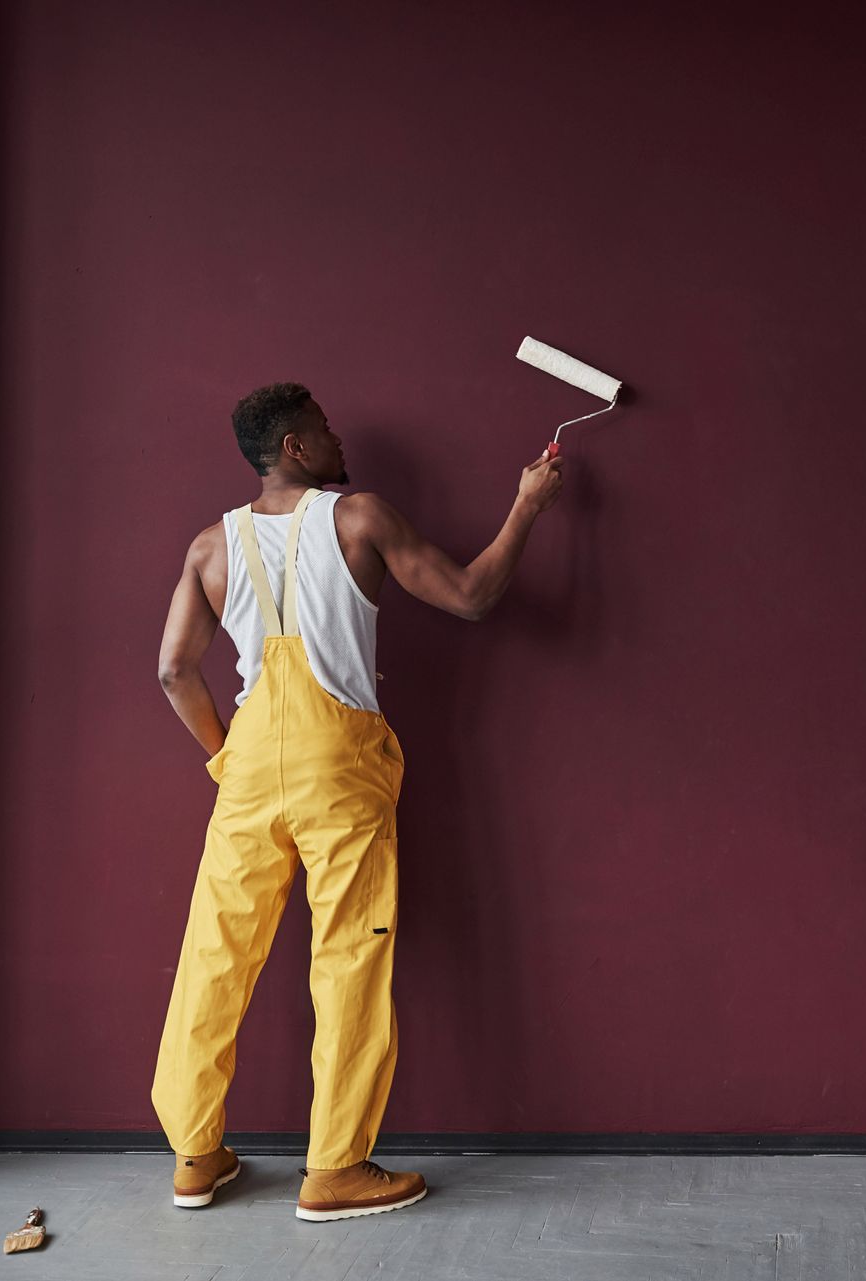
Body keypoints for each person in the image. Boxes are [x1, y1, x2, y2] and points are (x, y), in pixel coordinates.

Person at [150, 382, 562, 1220]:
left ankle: (194, 1155)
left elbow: (172, 670)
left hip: (249, 766)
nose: (338, 441)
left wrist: (227, 753)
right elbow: (472, 594)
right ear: (295, 447)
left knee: (216, 953)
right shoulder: (359, 517)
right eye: (325, 430)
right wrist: (527, 504)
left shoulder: (209, 546)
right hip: (338, 762)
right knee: (347, 958)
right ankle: (335, 1167)